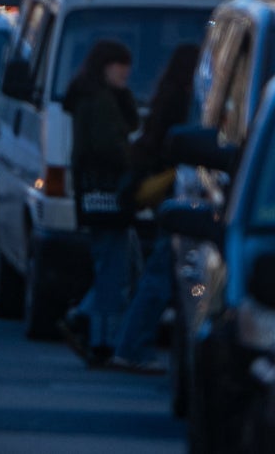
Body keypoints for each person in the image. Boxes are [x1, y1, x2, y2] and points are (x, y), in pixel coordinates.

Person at [100, 42, 202, 372]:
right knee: (160, 275)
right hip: (178, 190)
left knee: (158, 274)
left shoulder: (166, 97)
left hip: (168, 192)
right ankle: (131, 347)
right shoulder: (184, 103)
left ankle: (129, 344)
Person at [58, 38, 140, 359]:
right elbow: (111, 146)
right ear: (105, 66)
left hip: (92, 193)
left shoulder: (90, 97)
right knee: (114, 266)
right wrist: (132, 164)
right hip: (108, 190)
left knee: (111, 261)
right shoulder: (101, 102)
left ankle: (87, 321)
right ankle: (98, 335)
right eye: (120, 67)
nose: (126, 73)